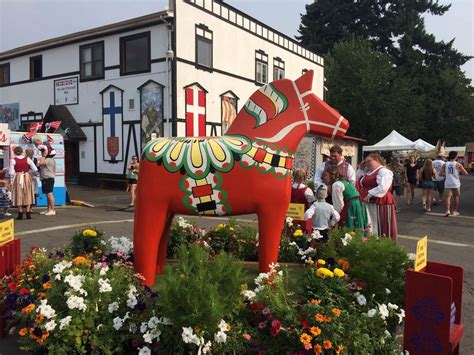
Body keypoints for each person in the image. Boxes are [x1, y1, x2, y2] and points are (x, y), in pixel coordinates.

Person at [360, 153, 397, 239]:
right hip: (369, 202)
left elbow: (383, 187)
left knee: (380, 224)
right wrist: (361, 168)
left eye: (369, 161)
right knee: (371, 224)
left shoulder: (384, 171)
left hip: (380, 202)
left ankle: (384, 244)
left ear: (377, 160)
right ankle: (373, 242)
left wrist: (369, 194)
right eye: (366, 162)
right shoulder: (369, 172)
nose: (367, 163)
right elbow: (359, 181)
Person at [9, 146, 38, 220]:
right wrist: (28, 172)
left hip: (18, 177)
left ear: (14, 152)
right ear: (22, 152)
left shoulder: (13, 160)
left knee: (19, 194)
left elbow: (11, 173)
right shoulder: (27, 159)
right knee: (28, 194)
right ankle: (28, 213)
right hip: (27, 176)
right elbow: (35, 169)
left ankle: (20, 213)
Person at [440, 151, 468, 216]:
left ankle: (447, 210)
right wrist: (458, 172)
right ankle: (455, 211)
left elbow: (441, 174)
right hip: (456, 183)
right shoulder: (458, 164)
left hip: (448, 183)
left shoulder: (445, 164)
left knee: (448, 197)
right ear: (456, 156)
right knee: (456, 197)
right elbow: (466, 173)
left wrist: (447, 174)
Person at [291, 168, 316, 233]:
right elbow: (312, 203)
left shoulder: (289, 188)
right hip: (303, 217)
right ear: (303, 178)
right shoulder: (307, 190)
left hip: (291, 215)